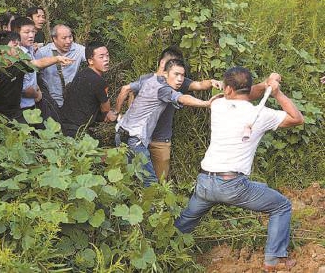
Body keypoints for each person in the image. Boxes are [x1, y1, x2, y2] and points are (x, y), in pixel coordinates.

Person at [174, 67, 303, 272]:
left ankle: (167, 249)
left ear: (227, 89)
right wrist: (275, 91)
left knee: (186, 221)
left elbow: (245, 93)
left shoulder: (217, 104)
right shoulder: (261, 115)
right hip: (233, 186)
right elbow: (297, 118)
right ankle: (274, 260)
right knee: (281, 206)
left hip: (205, 183)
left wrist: (266, 83)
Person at [115, 46, 223, 179]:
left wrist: (212, 82)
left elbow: (198, 85)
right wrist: (206, 104)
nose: (179, 78)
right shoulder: (152, 81)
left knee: (157, 180)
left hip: (159, 139)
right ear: (164, 66)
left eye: (181, 74)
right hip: (138, 137)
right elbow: (129, 92)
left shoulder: (176, 82)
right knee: (147, 182)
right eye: (174, 70)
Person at [0, 31, 72, 123]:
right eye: (15, 46)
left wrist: (57, 59)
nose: (19, 48)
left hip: (16, 112)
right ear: (2, 50)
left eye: (19, 45)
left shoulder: (19, 63)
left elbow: (38, 63)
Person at [60, 42, 117, 137]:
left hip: (64, 122)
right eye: (101, 57)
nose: (106, 59)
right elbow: (106, 110)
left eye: (107, 56)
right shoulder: (98, 81)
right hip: (77, 130)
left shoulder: (82, 73)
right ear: (90, 61)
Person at [35, 24, 85, 107]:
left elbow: (93, 57)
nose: (68, 41)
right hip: (49, 100)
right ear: (54, 39)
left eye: (70, 37)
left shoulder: (78, 49)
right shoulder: (43, 52)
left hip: (71, 99)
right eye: (64, 38)